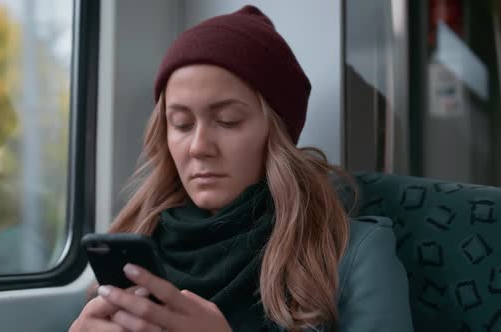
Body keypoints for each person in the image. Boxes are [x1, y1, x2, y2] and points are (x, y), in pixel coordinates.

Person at [70, 5, 413, 332]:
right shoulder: (137, 241)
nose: (199, 147)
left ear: (276, 133)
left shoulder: (353, 255)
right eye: (182, 124)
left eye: (227, 121)